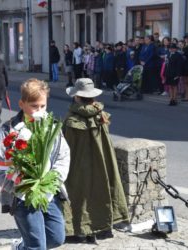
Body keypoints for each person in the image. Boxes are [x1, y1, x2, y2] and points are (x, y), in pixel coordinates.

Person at [0, 78, 70, 250]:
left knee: (56, 238)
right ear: (22, 103)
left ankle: (20, 247)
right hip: (22, 194)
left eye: (43, 106)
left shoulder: (52, 127)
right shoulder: (9, 130)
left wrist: (53, 180)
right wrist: (16, 184)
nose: (39, 111)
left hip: (48, 191)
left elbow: (63, 156)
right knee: (37, 246)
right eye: (34, 106)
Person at [63, 78, 129, 243]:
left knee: (78, 192)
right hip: (103, 161)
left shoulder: (72, 119)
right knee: (103, 189)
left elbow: (67, 146)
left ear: (77, 97)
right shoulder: (101, 115)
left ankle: (78, 230)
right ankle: (104, 228)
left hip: (79, 162)